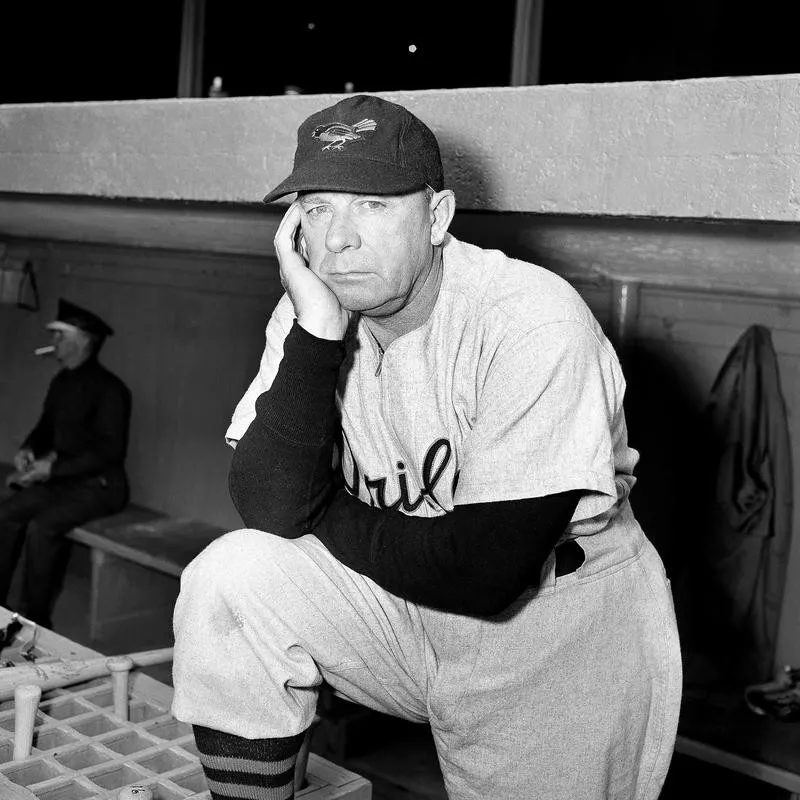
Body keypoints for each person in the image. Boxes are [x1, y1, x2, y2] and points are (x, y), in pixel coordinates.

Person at [171, 94, 682, 800]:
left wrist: (313, 509)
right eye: (318, 208)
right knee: (230, 579)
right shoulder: (310, 310)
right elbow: (265, 502)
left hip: (556, 631)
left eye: (373, 205)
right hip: (409, 605)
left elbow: (484, 570)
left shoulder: (531, 318)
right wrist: (318, 332)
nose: (339, 238)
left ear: (437, 216)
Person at [0, 299, 131, 628]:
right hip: (61, 482)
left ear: (83, 341)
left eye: (61, 335)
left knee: (41, 528)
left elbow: (108, 452)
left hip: (99, 488)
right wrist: (29, 449)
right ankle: (0, 608)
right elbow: (46, 427)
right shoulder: (62, 381)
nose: (54, 342)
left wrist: (52, 470)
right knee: (7, 513)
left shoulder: (111, 390)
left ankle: (35, 622)